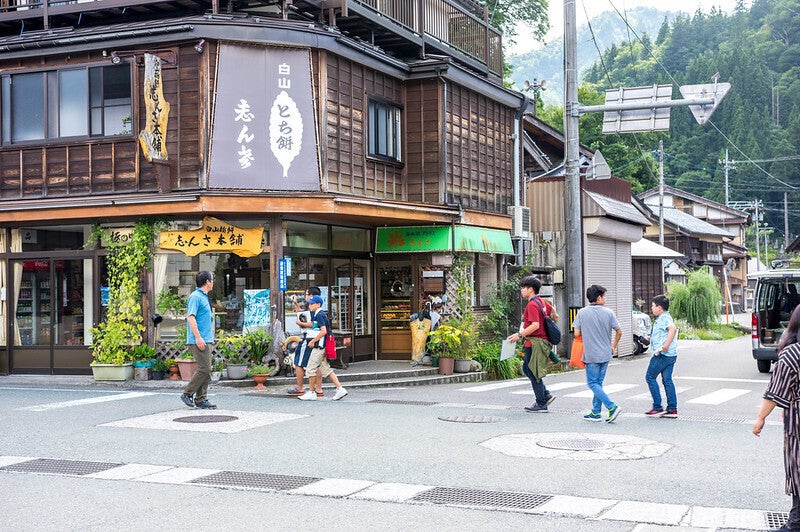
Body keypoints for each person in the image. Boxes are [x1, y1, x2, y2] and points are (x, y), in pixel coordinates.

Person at [753, 305, 800, 531]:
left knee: (798, 468)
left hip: (798, 424)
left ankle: (795, 523)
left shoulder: (792, 354)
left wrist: (760, 418)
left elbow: (775, 392)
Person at [506, 276, 558, 413]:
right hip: (539, 341)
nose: (521, 290)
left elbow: (535, 325)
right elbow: (554, 314)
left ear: (531, 289)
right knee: (527, 369)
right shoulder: (541, 301)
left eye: (523, 288)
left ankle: (541, 403)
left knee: (533, 372)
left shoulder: (532, 305)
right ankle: (546, 394)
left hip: (535, 343)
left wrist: (519, 335)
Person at [573, 284, 622, 423]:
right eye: (604, 296)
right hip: (606, 353)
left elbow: (576, 333)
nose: (605, 298)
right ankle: (596, 412)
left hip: (591, 354)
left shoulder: (582, 313)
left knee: (592, 383)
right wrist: (613, 346)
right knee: (598, 383)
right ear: (599, 298)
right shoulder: (609, 312)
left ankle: (612, 406)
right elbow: (619, 331)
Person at [298, 295, 348, 401]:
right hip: (323, 345)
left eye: (312, 304)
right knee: (325, 369)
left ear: (318, 304)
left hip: (319, 346)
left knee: (311, 368)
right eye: (309, 303)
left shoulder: (319, 315)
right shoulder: (319, 314)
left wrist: (312, 341)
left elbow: (323, 331)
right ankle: (340, 389)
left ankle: (312, 392)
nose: (309, 305)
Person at [180, 271, 216, 409]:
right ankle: (187, 393)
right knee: (204, 368)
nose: (213, 282)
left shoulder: (203, 296)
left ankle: (201, 399)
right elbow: (191, 317)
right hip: (199, 338)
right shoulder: (195, 297)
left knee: (206, 369)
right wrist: (198, 337)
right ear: (207, 281)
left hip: (206, 338)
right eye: (212, 280)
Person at [644, 294, 679, 418]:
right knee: (667, 380)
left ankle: (657, 406)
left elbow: (672, 329)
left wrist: (665, 346)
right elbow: (662, 333)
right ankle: (672, 409)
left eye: (653, 306)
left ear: (659, 307)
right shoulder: (664, 317)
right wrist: (648, 339)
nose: (651, 308)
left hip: (662, 354)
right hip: (671, 355)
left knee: (650, 377)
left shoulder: (664, 318)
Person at [287, 286, 323, 397]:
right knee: (316, 365)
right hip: (316, 340)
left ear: (312, 296)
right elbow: (303, 315)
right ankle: (318, 389)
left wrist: (301, 323)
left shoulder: (315, 310)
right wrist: (296, 304)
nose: (306, 296)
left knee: (298, 363)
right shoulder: (315, 309)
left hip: (309, 338)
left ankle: (300, 388)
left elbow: (313, 324)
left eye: (307, 294)